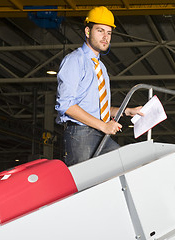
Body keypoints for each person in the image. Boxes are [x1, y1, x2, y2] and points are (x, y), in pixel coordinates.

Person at [55, 6, 143, 167]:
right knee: (84, 185)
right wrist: (104, 125)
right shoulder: (75, 60)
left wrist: (127, 111)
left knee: (124, 166)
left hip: (99, 132)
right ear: (87, 31)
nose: (105, 37)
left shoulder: (101, 67)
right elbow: (66, 105)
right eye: (100, 31)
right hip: (80, 134)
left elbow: (99, 108)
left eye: (109, 33)